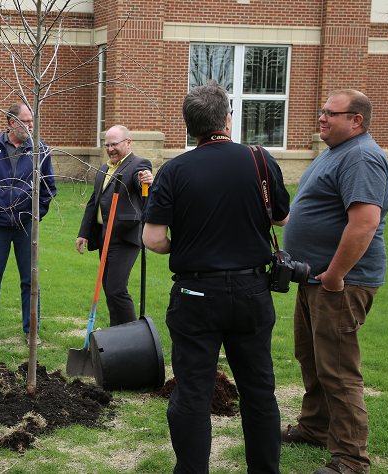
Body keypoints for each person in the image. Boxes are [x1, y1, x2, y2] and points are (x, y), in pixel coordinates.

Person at [142, 81, 290, 474]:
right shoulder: (260, 160)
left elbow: (153, 239)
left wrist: (188, 243)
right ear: (227, 119)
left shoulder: (173, 170)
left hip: (195, 291)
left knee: (193, 392)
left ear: (189, 126)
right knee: (259, 391)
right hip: (251, 290)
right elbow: (280, 218)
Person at [281, 90, 388, 474]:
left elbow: (364, 222)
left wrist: (335, 276)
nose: (322, 118)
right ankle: (314, 428)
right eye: (322, 111)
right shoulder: (337, 151)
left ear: (356, 119)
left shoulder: (361, 156)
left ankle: (350, 459)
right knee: (312, 358)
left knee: (339, 370)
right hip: (315, 279)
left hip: (341, 284)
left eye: (331, 113)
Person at [0, 102, 58, 346]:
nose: (31, 126)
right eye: (27, 121)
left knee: (30, 279)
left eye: (33, 121)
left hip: (26, 226)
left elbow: (48, 188)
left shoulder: (40, 149)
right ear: (12, 122)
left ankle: (31, 331)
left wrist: (35, 215)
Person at [76, 125, 153, 326]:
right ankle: (116, 334)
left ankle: (133, 336)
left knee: (116, 290)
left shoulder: (138, 164)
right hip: (104, 236)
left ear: (128, 143)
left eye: (114, 144)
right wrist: (84, 233)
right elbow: (94, 202)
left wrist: (146, 180)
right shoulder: (104, 168)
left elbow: (141, 180)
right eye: (107, 145)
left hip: (124, 236)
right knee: (109, 290)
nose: (110, 149)